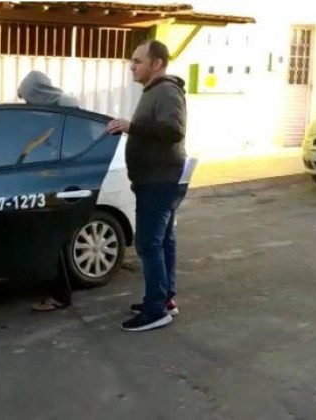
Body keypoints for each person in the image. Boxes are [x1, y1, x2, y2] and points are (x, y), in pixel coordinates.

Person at [106, 40, 189, 332]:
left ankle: (156, 310)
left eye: (138, 61)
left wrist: (132, 127)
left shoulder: (166, 91)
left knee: (148, 243)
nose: (132, 66)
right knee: (163, 241)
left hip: (160, 181)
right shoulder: (156, 91)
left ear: (157, 64)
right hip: (157, 180)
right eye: (132, 61)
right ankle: (164, 299)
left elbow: (173, 130)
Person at [16, 70, 79, 311]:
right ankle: (59, 292)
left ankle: (60, 296)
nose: (27, 104)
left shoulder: (64, 112)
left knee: (51, 240)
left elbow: (59, 147)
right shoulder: (54, 108)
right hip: (53, 184)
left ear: (37, 93)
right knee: (54, 241)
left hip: (59, 185)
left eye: (28, 98)